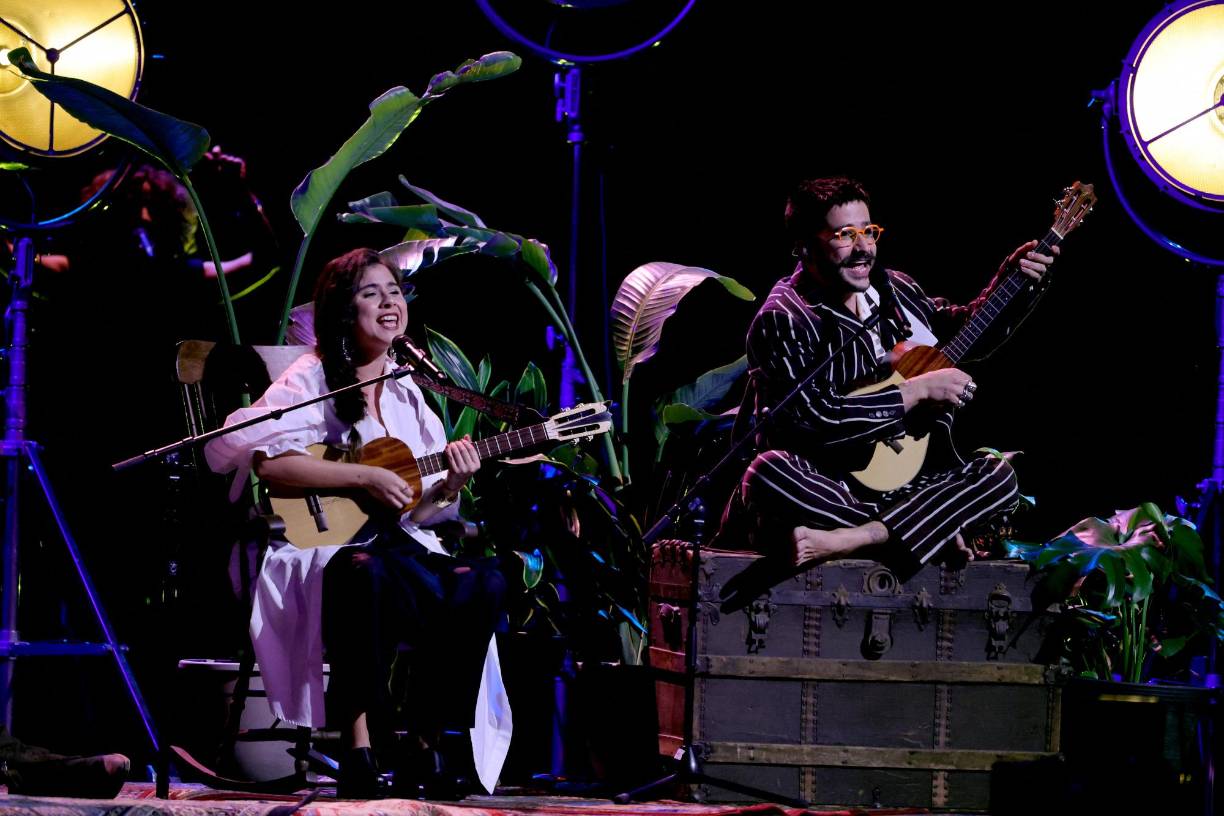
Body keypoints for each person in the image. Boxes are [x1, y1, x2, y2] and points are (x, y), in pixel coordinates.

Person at [204, 248, 511, 799]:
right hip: (330, 549)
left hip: (400, 547)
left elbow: (416, 509)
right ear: (345, 312)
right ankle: (359, 747)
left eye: (394, 290)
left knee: (482, 580)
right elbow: (267, 460)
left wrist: (453, 482)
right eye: (372, 292)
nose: (389, 301)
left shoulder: (410, 392)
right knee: (363, 570)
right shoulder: (313, 377)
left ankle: (423, 740)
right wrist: (363, 479)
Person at [721, 177, 1057, 582]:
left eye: (868, 231)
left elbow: (956, 334)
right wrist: (914, 392)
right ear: (804, 247)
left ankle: (861, 537)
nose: (863, 247)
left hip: (901, 486)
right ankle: (928, 528)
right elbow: (810, 421)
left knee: (999, 476)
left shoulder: (893, 289)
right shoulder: (786, 318)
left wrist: (1014, 283)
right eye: (845, 234)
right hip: (828, 486)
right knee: (767, 474)